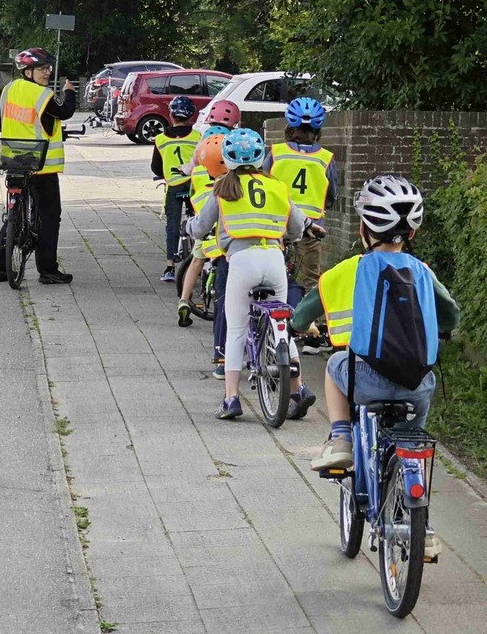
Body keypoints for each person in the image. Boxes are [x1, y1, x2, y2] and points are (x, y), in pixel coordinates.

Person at [291, 174, 460, 473]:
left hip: (366, 381)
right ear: (412, 233)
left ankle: (341, 439)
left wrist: (299, 326)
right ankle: (409, 480)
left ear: (363, 228)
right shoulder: (422, 271)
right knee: (411, 442)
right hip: (418, 385)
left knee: (334, 365)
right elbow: (450, 316)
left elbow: (303, 315)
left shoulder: (349, 269)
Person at [187, 128, 319, 420]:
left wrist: (189, 227)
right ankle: (298, 388)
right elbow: (296, 228)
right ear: (260, 157)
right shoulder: (277, 187)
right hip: (274, 260)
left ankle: (231, 399)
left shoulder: (222, 189)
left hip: (242, 262)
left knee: (236, 329)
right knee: (281, 325)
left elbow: (199, 227)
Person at [0, 48, 77, 285]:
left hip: (12, 159)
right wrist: (69, 93)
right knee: (49, 216)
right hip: (41, 166)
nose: (47, 72)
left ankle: (0, 267)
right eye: (42, 69)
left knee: (12, 216)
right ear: (28, 71)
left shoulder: (9, 89)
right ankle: (47, 270)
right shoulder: (42, 94)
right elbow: (65, 112)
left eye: (48, 68)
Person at [265, 96, 338, 354]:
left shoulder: (275, 153)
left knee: (272, 275)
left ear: (288, 128)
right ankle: (311, 332)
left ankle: (270, 323)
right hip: (311, 229)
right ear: (317, 132)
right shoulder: (326, 159)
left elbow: (263, 182)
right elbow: (332, 195)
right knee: (311, 279)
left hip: (276, 224)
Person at [177, 126, 229, 328]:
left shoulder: (198, 172)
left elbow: (191, 195)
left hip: (204, 227)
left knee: (196, 261)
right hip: (225, 230)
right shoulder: (231, 178)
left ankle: (184, 300)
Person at [151, 95, 203, 282]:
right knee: (200, 219)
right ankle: (201, 258)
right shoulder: (198, 137)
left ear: (171, 116)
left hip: (173, 185)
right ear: (191, 117)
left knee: (172, 224)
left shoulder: (160, 139)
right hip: (194, 184)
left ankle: (170, 267)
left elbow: (156, 168)